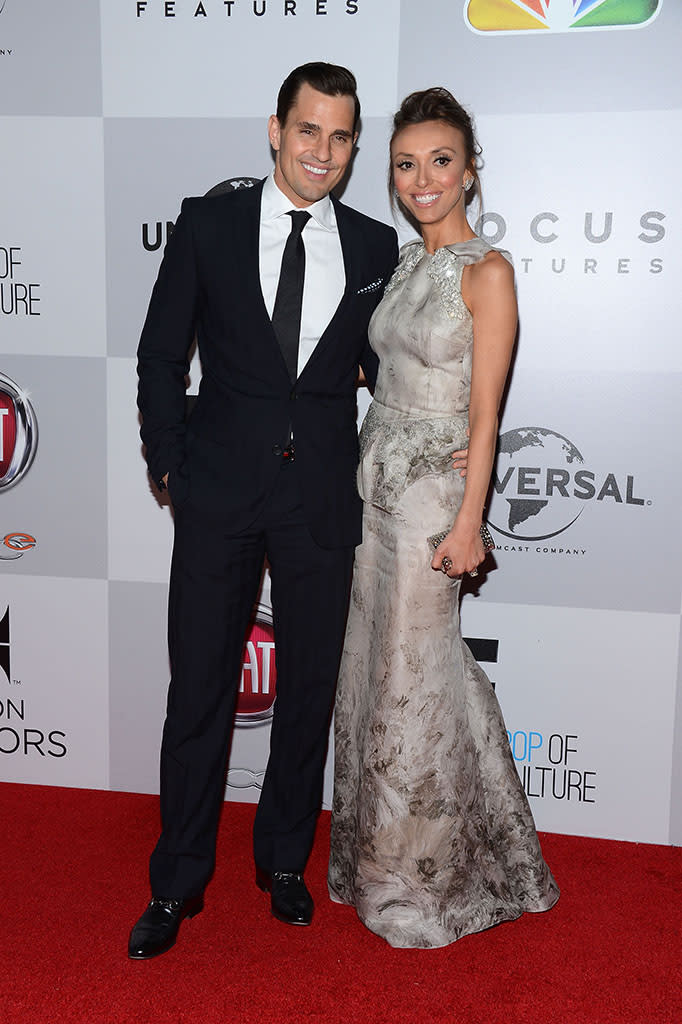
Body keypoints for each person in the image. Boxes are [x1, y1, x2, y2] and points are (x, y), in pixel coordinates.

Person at [128, 62, 401, 960]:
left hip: (321, 497)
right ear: (275, 129)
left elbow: (380, 372)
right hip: (217, 494)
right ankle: (177, 881)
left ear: (355, 145)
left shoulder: (373, 247)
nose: (324, 151)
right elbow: (161, 353)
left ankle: (285, 860)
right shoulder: (207, 223)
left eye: (342, 135)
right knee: (199, 690)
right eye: (309, 130)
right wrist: (172, 466)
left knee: (309, 688)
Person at [328, 88, 559, 949]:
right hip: (373, 491)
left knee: (417, 680)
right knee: (374, 672)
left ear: (470, 170)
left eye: (440, 161)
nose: (422, 179)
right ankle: (366, 856)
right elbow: (382, 370)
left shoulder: (485, 272)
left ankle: (420, 879)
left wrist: (471, 520)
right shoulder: (397, 265)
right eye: (405, 163)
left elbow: (487, 413)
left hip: (431, 504)